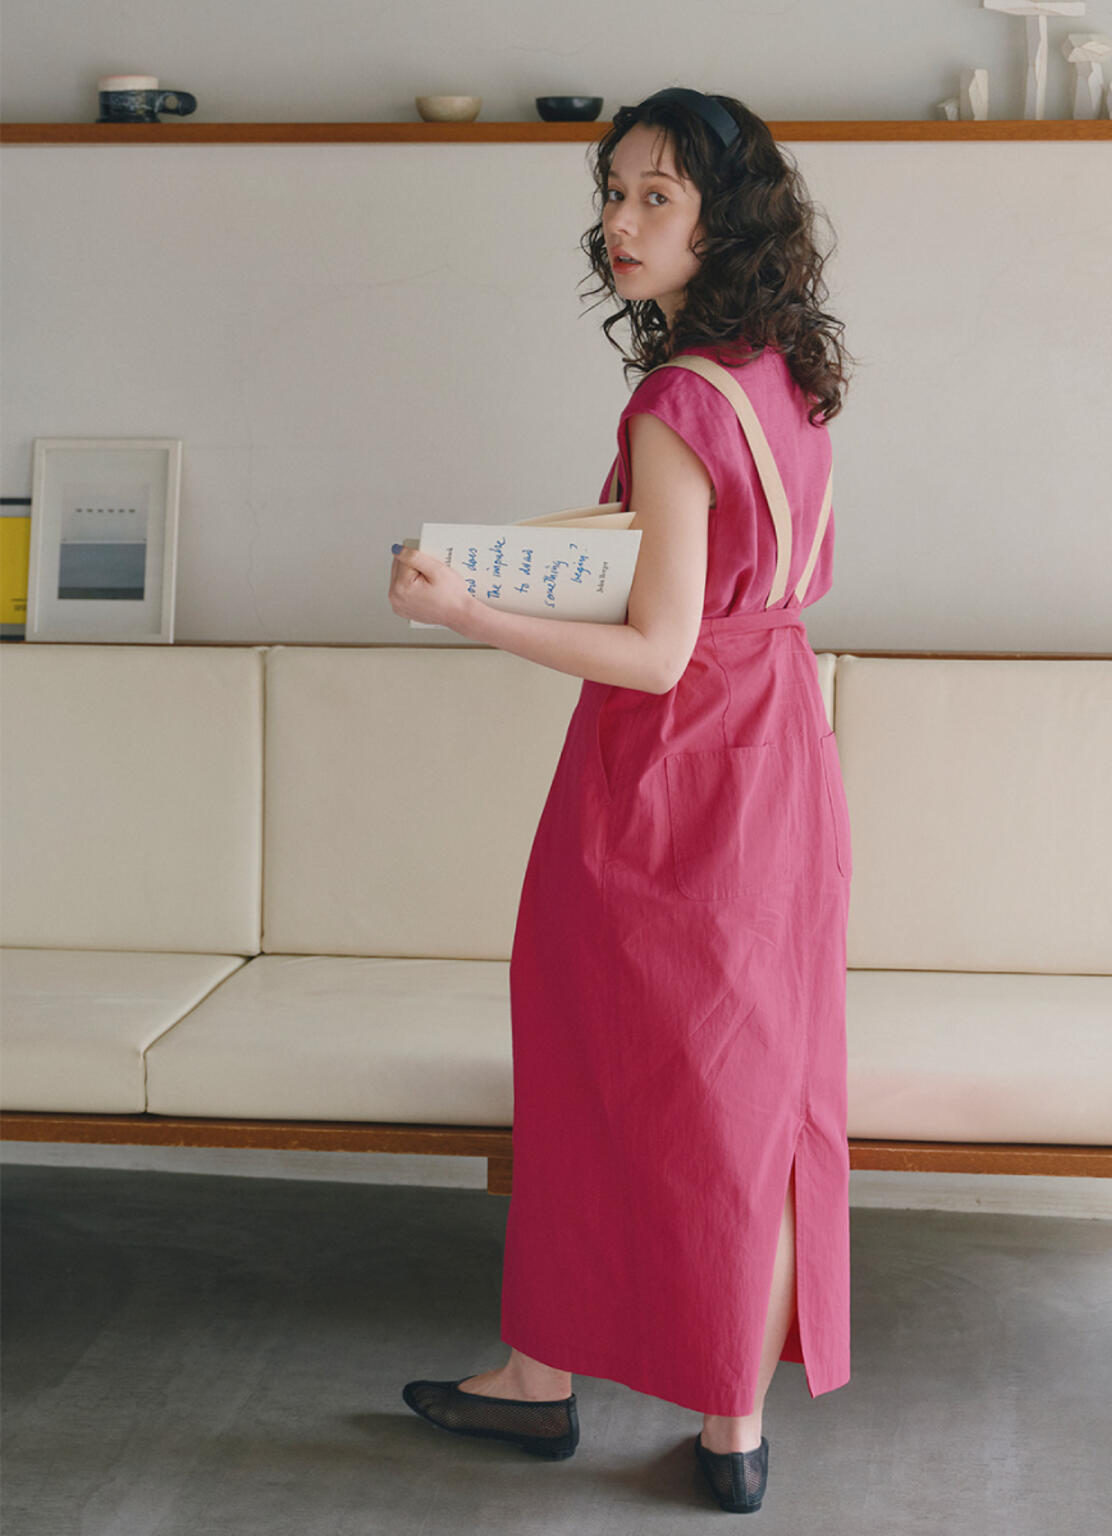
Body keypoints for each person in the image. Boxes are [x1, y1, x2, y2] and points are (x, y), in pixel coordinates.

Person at [389, 86, 856, 1515]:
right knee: (751, 1089)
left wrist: (466, 609)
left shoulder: (674, 400)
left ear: (726, 219)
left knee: (598, 1068)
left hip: (668, 779)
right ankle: (729, 1428)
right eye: (614, 192)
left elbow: (656, 653)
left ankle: (542, 1384)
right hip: (776, 755)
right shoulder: (784, 374)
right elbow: (721, 597)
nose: (622, 221)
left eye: (658, 196)